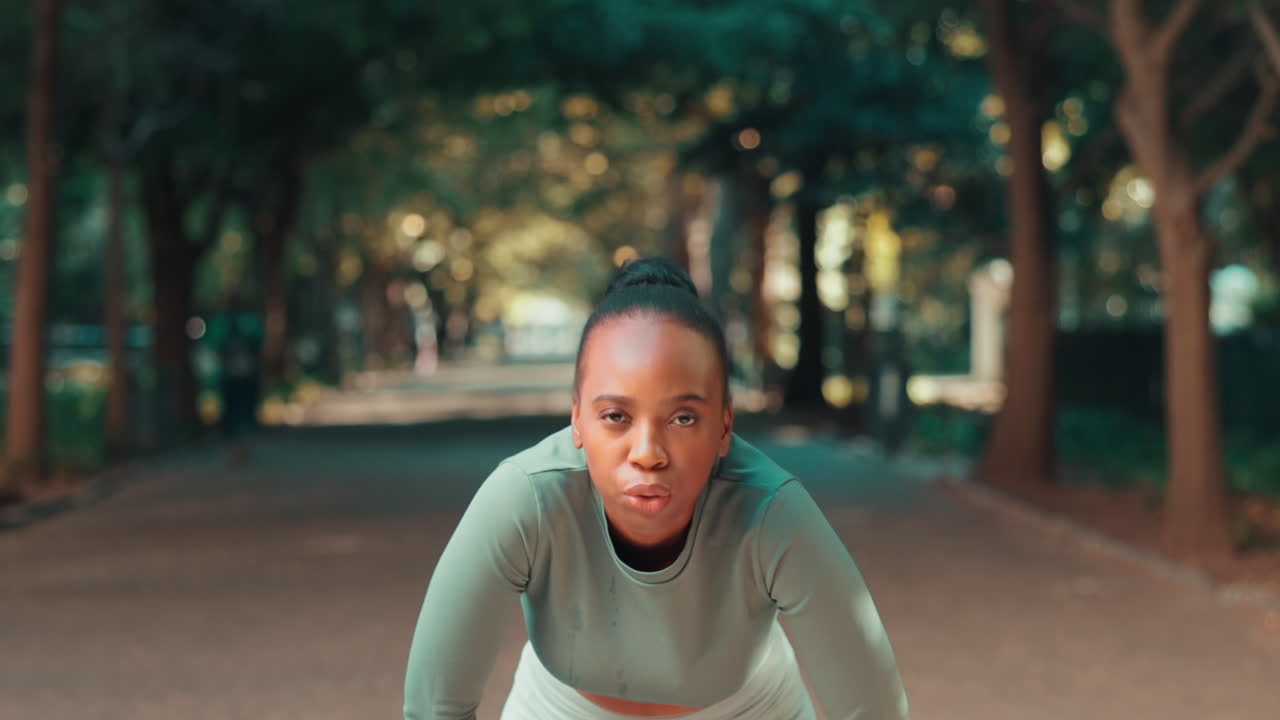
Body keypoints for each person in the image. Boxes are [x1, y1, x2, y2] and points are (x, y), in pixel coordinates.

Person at [403, 258, 909, 720]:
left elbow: (872, 712)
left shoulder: (771, 510)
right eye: (615, 416)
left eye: (683, 417)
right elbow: (434, 707)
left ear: (725, 424)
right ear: (577, 418)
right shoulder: (525, 497)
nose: (648, 453)